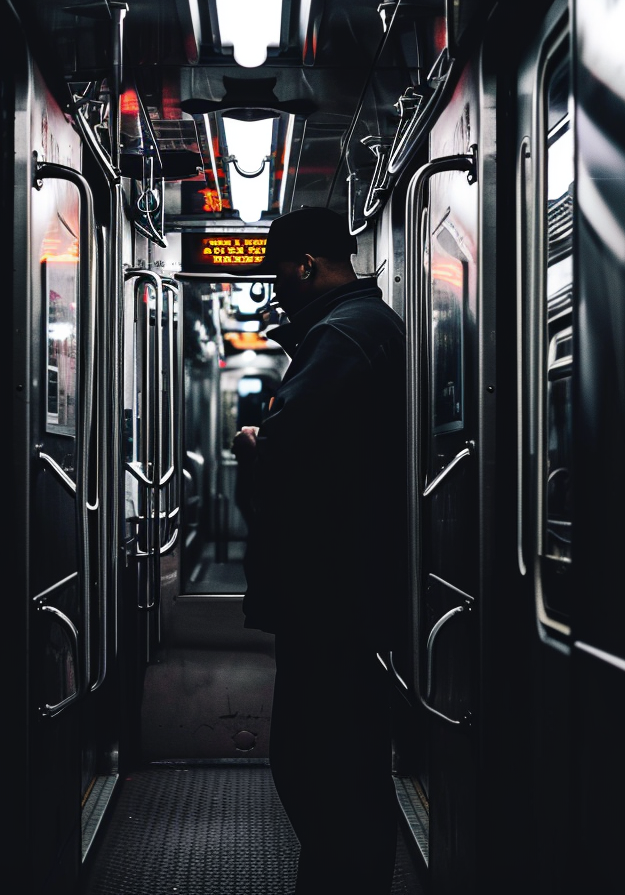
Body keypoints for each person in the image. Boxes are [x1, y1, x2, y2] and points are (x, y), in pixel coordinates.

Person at [231, 206, 408, 894]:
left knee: (319, 766)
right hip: (345, 591)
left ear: (306, 265)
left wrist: (253, 442)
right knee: (335, 764)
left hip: (333, 595)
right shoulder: (365, 326)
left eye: (281, 271)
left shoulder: (343, 335)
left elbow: (281, 451)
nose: (277, 288)